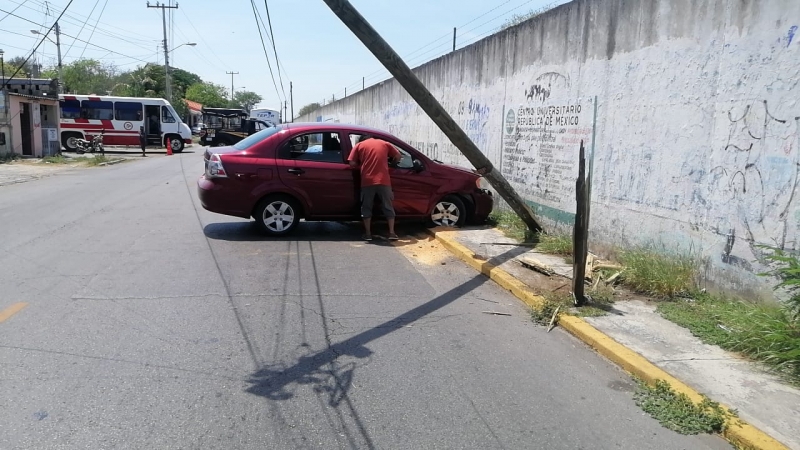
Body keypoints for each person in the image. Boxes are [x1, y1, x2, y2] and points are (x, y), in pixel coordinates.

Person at [348, 134, 402, 241]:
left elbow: (352, 163)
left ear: (362, 139)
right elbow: (398, 156)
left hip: (367, 181)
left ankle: (368, 234)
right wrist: (391, 163)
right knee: (388, 206)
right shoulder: (384, 143)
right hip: (384, 180)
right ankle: (392, 233)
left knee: (366, 207)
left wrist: (362, 164)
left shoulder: (359, 145)